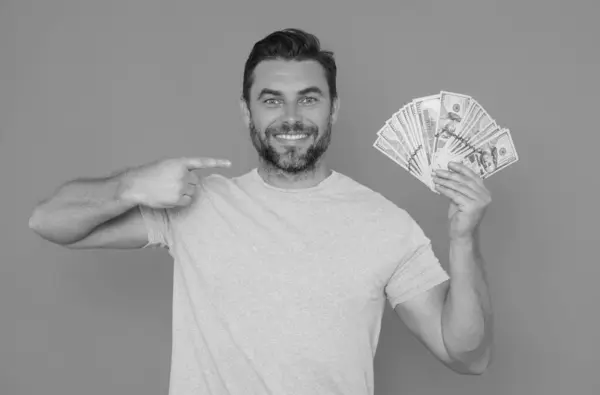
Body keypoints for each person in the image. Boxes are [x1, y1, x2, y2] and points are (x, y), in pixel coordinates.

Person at [28, 28, 494, 395]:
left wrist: (463, 239)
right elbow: (48, 222)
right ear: (246, 113)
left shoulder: (385, 224)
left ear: (333, 111)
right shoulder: (197, 204)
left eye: (309, 99)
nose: (291, 117)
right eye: (271, 100)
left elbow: (466, 355)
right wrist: (129, 184)